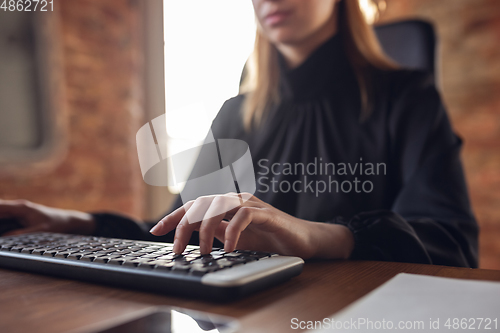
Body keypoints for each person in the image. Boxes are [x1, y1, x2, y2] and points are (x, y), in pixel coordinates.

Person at [0, 0, 478, 267]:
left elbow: (450, 246)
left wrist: (309, 238)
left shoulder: (408, 98)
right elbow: (173, 234)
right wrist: (76, 223)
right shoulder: (235, 113)